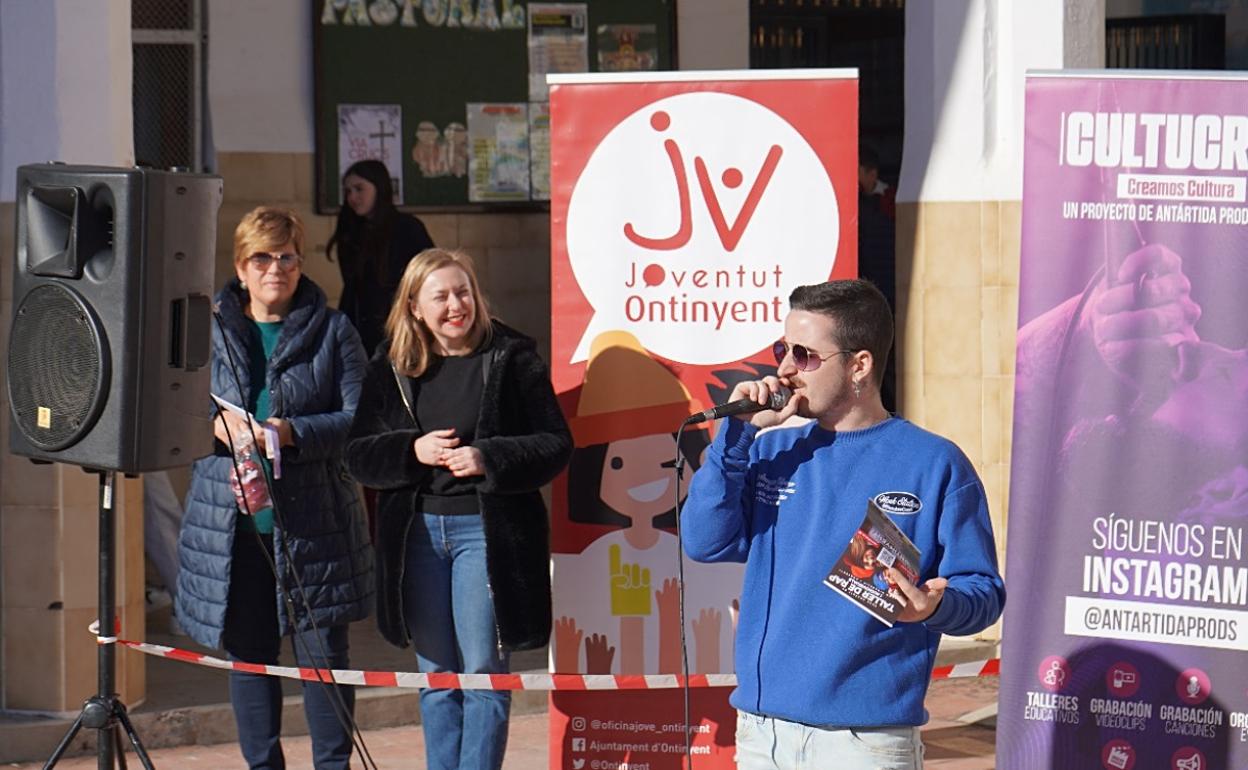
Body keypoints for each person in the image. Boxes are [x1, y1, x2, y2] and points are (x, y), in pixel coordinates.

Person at [681, 279, 1005, 769]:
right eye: (782, 349)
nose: (786, 368)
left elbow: (983, 594)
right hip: (762, 735)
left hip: (864, 743)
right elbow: (704, 542)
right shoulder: (771, 450)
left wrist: (933, 607)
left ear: (860, 364)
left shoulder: (935, 463)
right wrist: (737, 437)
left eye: (805, 355)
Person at [343, 248, 572, 770]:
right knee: (437, 677)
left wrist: (488, 456)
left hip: (485, 535)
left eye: (463, 291)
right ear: (415, 307)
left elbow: (555, 443)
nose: (456, 305)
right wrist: (410, 450)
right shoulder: (393, 364)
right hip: (418, 537)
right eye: (441, 296)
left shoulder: (512, 358)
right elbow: (357, 454)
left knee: (484, 675)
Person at [176, 206, 374, 770]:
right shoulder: (207, 331)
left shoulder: (334, 330)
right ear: (241, 267)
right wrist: (212, 425)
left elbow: (361, 420)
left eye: (286, 256)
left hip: (315, 527)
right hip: (234, 529)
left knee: (323, 661)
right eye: (261, 258)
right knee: (251, 659)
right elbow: (173, 409)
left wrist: (292, 433)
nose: (275, 269)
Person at [327, 158, 435, 356]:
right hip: (359, 330)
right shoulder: (350, 231)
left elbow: (429, 276)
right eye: (348, 191)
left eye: (359, 189)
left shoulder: (407, 228)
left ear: (379, 187)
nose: (352, 197)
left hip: (401, 327)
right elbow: (353, 286)